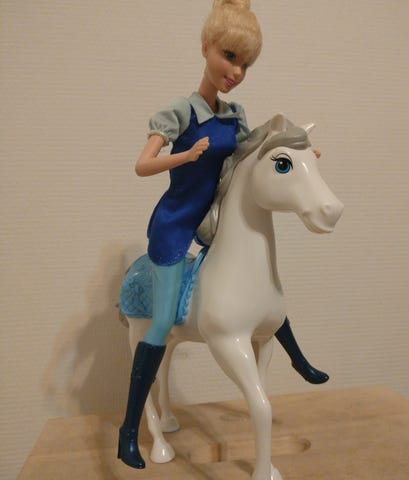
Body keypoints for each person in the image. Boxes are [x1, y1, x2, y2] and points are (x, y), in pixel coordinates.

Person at [118, 0, 328, 470]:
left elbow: (254, 154)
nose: (235, 72)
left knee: (258, 288)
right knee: (161, 320)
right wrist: (185, 156)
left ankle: (297, 358)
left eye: (245, 64)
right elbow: (142, 165)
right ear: (206, 47)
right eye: (230, 57)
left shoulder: (235, 114)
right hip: (176, 223)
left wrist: (298, 158)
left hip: (213, 220)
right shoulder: (179, 111)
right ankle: (129, 430)